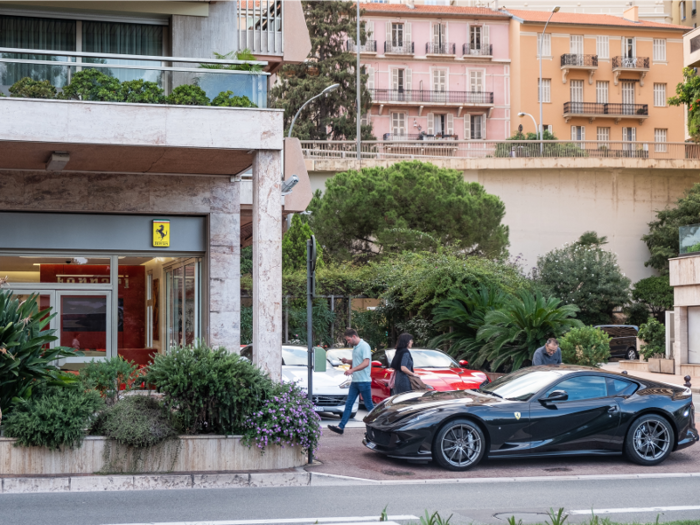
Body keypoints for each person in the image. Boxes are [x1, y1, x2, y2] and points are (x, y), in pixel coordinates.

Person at [328, 328, 374, 435]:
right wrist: (347, 361)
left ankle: (375, 428)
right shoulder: (356, 347)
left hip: (364, 380)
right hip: (356, 381)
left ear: (354, 336)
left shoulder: (364, 346)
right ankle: (340, 427)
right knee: (349, 404)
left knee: (369, 406)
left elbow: (366, 362)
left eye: (348, 340)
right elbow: (360, 360)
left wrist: (352, 370)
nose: (348, 342)